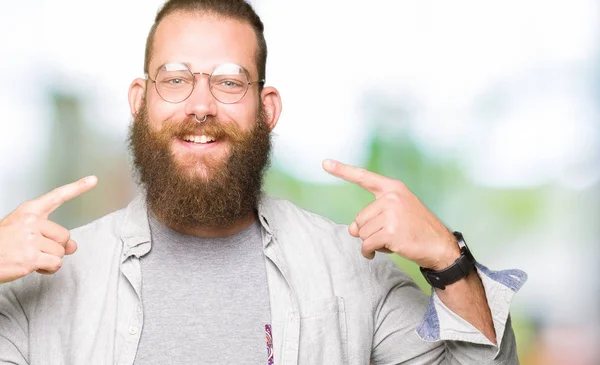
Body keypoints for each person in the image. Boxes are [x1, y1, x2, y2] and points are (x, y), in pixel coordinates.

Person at [0, 0, 526, 364]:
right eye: (176, 79)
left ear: (266, 109)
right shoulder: (44, 278)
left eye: (229, 81)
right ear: (140, 103)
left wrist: (447, 258)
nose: (201, 105)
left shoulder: (352, 274)